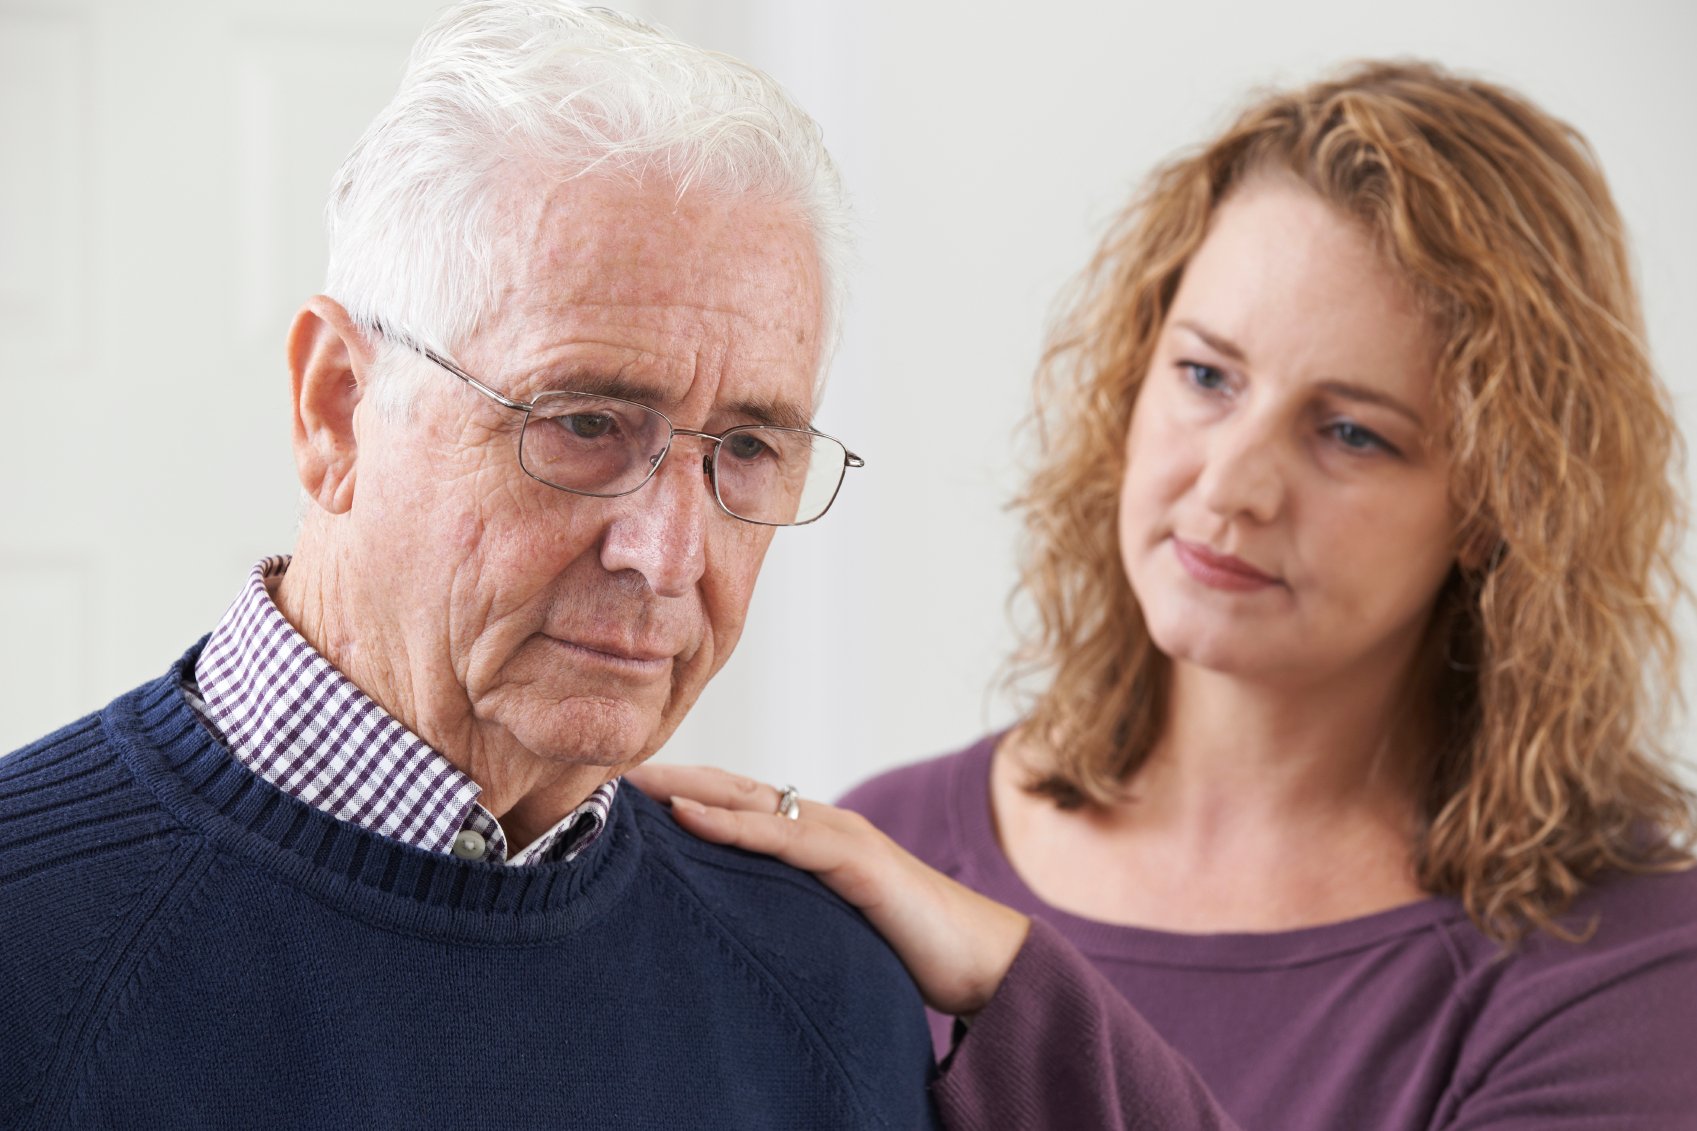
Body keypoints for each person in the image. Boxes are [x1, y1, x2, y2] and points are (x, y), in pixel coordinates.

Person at [634, 60, 1697, 1129]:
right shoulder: (889, 844)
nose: (1229, 485)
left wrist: (1020, 991)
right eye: (1205, 376)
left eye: (1350, 432)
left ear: (1496, 500)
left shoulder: (1627, 964)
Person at [0, 4, 940, 1127]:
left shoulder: (831, 989)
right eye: (585, 423)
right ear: (336, 409)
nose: (667, 557)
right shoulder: (30, 948)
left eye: (746, 449)